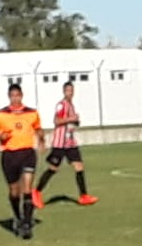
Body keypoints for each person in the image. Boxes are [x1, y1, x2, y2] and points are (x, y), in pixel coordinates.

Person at [0, 84, 45, 240]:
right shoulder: (1, 115)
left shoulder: (32, 113)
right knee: (14, 191)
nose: (15, 98)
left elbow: (38, 128)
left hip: (27, 153)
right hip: (9, 156)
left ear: (22, 95)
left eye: (17, 95)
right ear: (9, 97)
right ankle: (18, 217)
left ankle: (27, 224)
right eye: (12, 96)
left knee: (27, 188)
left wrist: (41, 138)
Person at [32, 81, 98, 209]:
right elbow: (56, 121)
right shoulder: (61, 105)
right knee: (53, 168)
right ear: (64, 91)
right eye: (68, 90)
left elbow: (70, 123)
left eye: (71, 90)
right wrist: (71, 119)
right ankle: (36, 192)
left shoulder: (71, 105)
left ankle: (84, 196)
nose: (70, 93)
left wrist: (76, 122)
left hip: (70, 143)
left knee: (79, 167)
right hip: (60, 143)